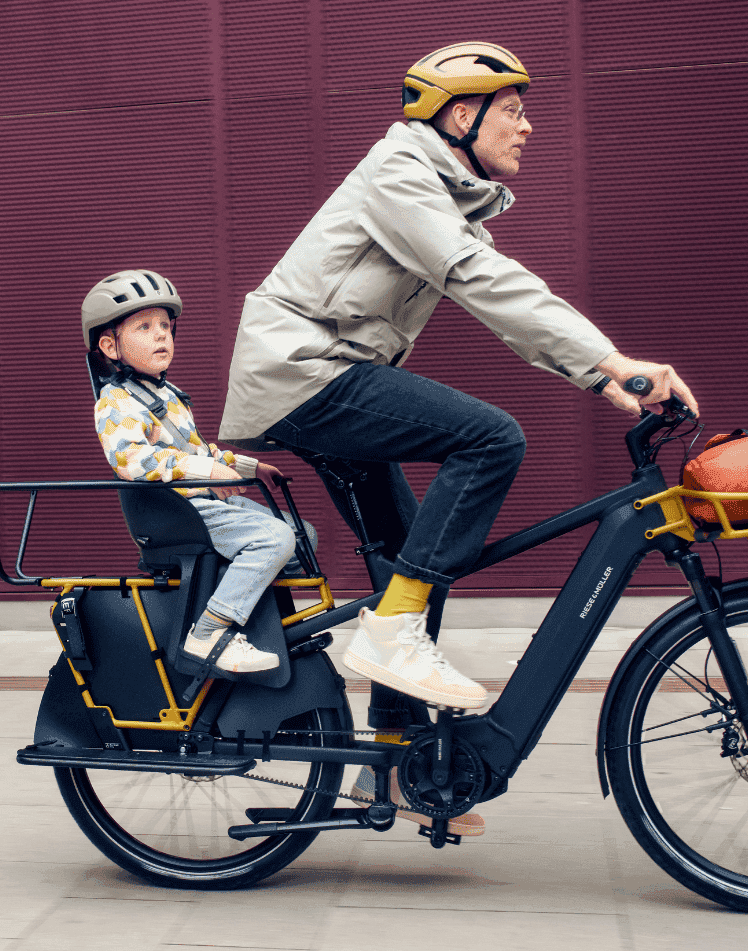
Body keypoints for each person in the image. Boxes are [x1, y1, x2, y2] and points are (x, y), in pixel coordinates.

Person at [218, 42, 699, 833]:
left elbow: (507, 298)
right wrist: (612, 359)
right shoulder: (399, 172)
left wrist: (599, 377)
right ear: (460, 113)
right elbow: (482, 282)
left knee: (412, 559)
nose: (529, 126)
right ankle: (393, 631)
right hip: (303, 372)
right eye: (513, 110)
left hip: (324, 373)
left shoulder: (438, 189)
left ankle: (405, 759)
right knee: (489, 439)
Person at [84, 270, 316, 675]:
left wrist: (248, 467)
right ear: (110, 346)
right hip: (173, 516)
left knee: (301, 536)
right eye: (143, 327)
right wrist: (204, 469)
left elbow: (198, 449)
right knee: (274, 538)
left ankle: (261, 622)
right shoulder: (115, 402)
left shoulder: (169, 396)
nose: (161, 335)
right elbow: (130, 461)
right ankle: (210, 632)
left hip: (200, 506)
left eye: (164, 326)